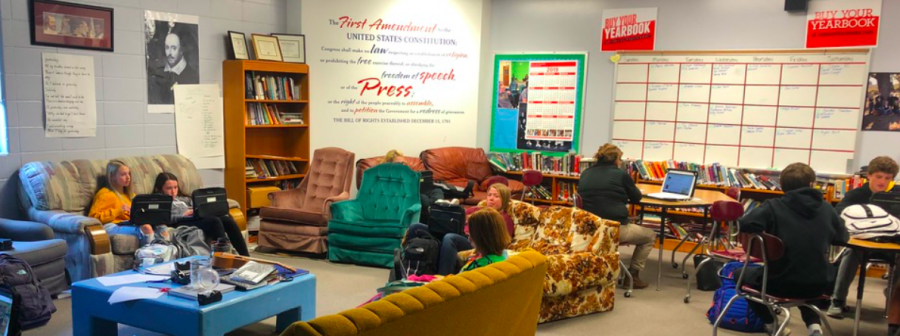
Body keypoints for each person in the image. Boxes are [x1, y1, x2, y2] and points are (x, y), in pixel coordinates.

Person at [738, 162, 849, 336]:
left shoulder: (773, 206)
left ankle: (772, 325)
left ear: (782, 185)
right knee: (807, 270)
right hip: (819, 285)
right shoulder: (827, 208)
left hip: (779, 283)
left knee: (739, 275)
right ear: (812, 184)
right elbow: (842, 238)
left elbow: (745, 223)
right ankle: (814, 327)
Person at [828, 156, 900, 318]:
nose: (882, 181)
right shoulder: (857, 194)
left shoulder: (896, 196)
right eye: (878, 177)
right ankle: (838, 300)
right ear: (869, 176)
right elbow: (839, 212)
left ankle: (893, 295)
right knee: (851, 253)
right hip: (863, 243)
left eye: (888, 178)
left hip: (891, 245)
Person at [577, 143, 655, 289]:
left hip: (589, 229)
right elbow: (636, 197)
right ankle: (633, 276)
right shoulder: (621, 175)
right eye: (620, 159)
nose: (620, 162)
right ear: (615, 159)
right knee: (649, 235)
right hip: (613, 229)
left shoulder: (586, 173)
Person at [405, 183, 514, 275]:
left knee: (450, 238)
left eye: (496, 196)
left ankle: (443, 277)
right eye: (489, 195)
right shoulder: (476, 209)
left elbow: (501, 239)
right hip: (454, 229)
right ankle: (405, 265)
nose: (491, 198)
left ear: (504, 199)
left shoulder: (502, 217)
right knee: (416, 227)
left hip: (470, 239)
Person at [152, 172, 250, 256]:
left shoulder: (183, 199)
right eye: (169, 188)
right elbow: (163, 217)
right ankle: (222, 257)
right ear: (159, 189)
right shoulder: (160, 203)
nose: (173, 192)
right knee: (214, 221)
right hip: (180, 221)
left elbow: (197, 204)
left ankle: (246, 257)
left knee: (227, 220)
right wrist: (183, 215)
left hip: (195, 217)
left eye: (175, 187)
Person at [89, 160, 168, 246]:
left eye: (129, 174)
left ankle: (165, 254)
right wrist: (118, 211)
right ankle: (149, 255)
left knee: (161, 227)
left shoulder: (131, 195)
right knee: (146, 228)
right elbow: (92, 217)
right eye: (123, 174)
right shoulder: (105, 194)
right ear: (112, 176)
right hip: (112, 225)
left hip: (128, 223)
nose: (128, 177)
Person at [148, 29, 199, 104]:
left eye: (174, 48)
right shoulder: (158, 74)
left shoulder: (193, 76)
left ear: (181, 50)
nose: (170, 53)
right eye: (167, 48)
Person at [459, 208, 511, 272]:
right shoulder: (503, 254)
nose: (469, 238)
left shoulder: (475, 267)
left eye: (471, 233)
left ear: (481, 238)